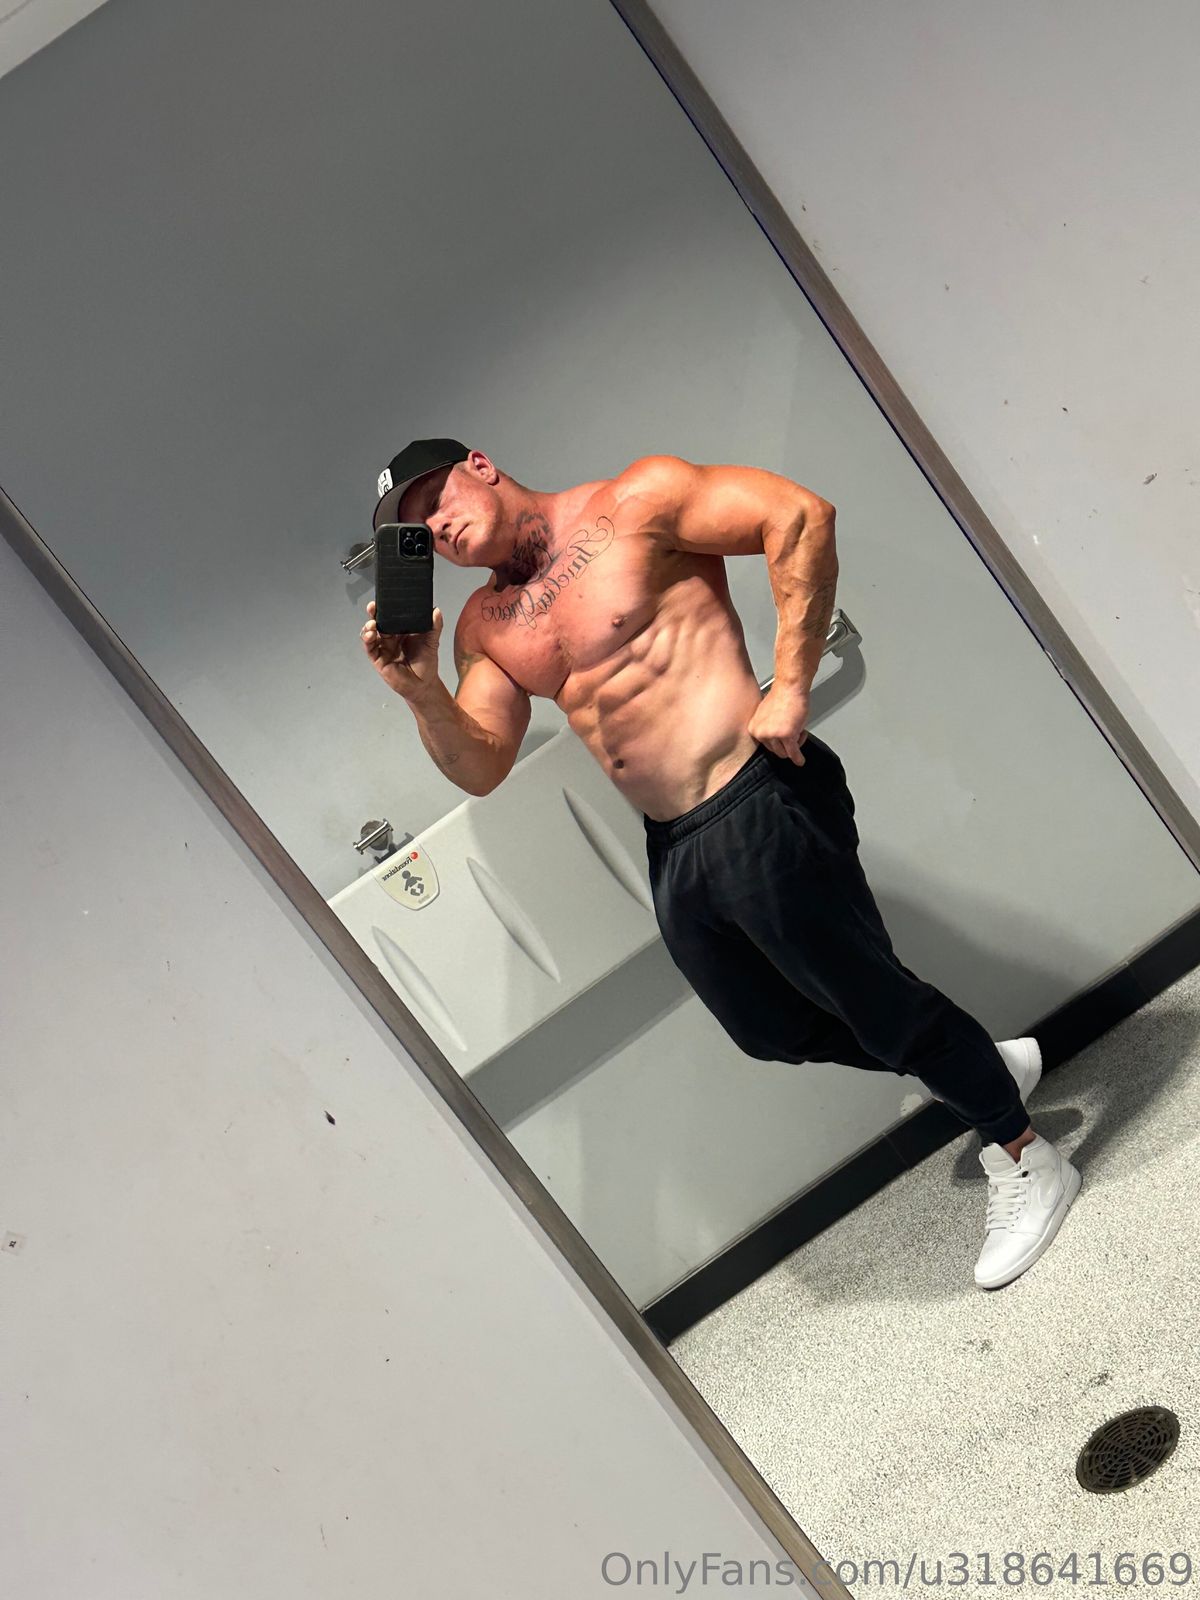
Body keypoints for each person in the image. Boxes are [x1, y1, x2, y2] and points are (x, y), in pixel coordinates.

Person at [360, 437, 1081, 1289]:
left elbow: (799, 515)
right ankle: (975, 1062)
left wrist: (791, 684)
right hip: (674, 843)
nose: (436, 525)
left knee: (872, 1001)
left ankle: (1024, 1155)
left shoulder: (636, 500)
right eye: (416, 528)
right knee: (767, 1028)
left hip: (755, 795)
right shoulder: (485, 627)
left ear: (480, 465)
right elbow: (480, 764)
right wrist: (422, 693)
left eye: (436, 498)